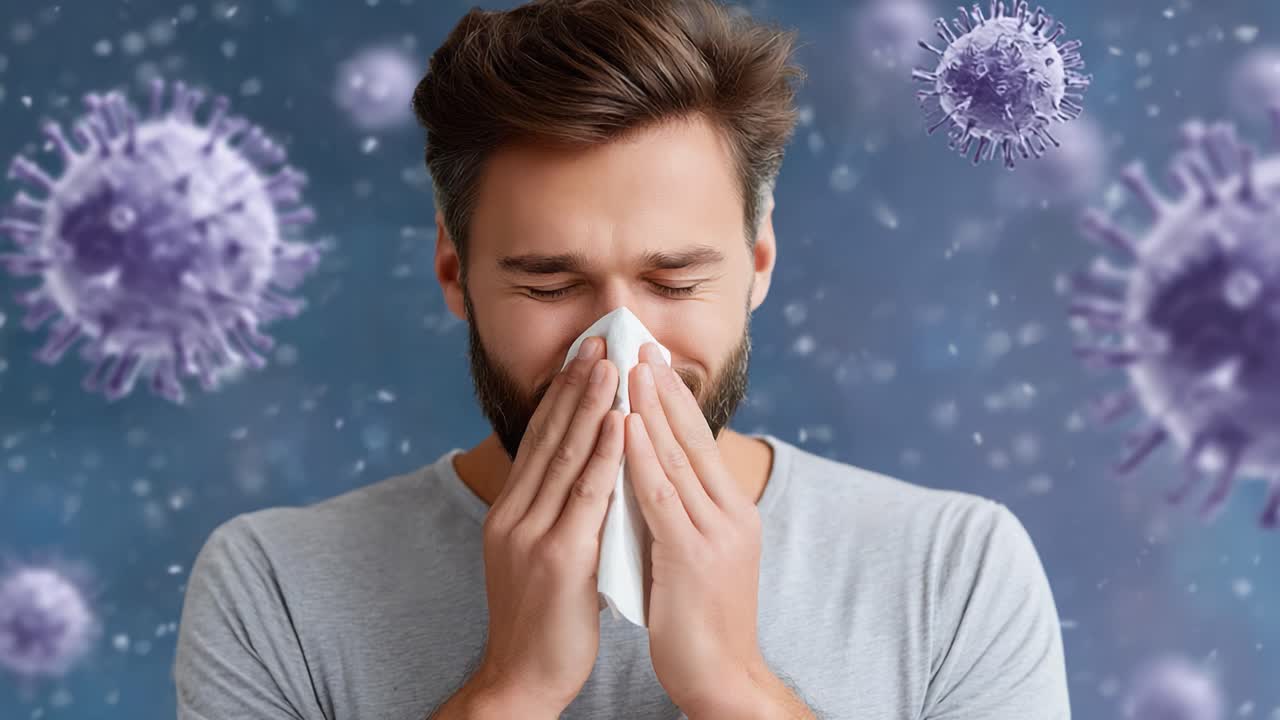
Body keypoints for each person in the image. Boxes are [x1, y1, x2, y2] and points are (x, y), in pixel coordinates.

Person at [173, 0, 1071, 718]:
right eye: (548, 283)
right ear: (454, 270)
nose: (618, 345)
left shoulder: (953, 568)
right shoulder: (277, 585)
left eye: (674, 280)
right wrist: (512, 689)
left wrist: (734, 688)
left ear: (758, 262)